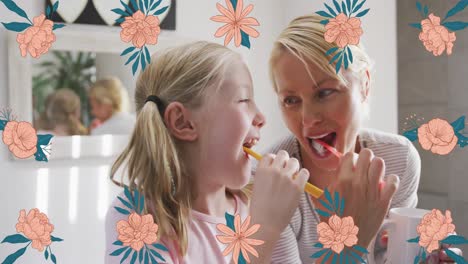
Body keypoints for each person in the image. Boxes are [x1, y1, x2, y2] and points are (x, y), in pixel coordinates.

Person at [266, 14, 461, 263]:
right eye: (291, 100)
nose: (307, 119)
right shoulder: (269, 183)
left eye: (325, 92)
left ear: (365, 84)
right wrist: (349, 236)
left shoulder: (398, 159)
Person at [104, 41, 311, 263]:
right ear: (183, 122)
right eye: (243, 100)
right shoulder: (136, 216)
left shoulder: (253, 204)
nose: (261, 118)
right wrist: (264, 229)